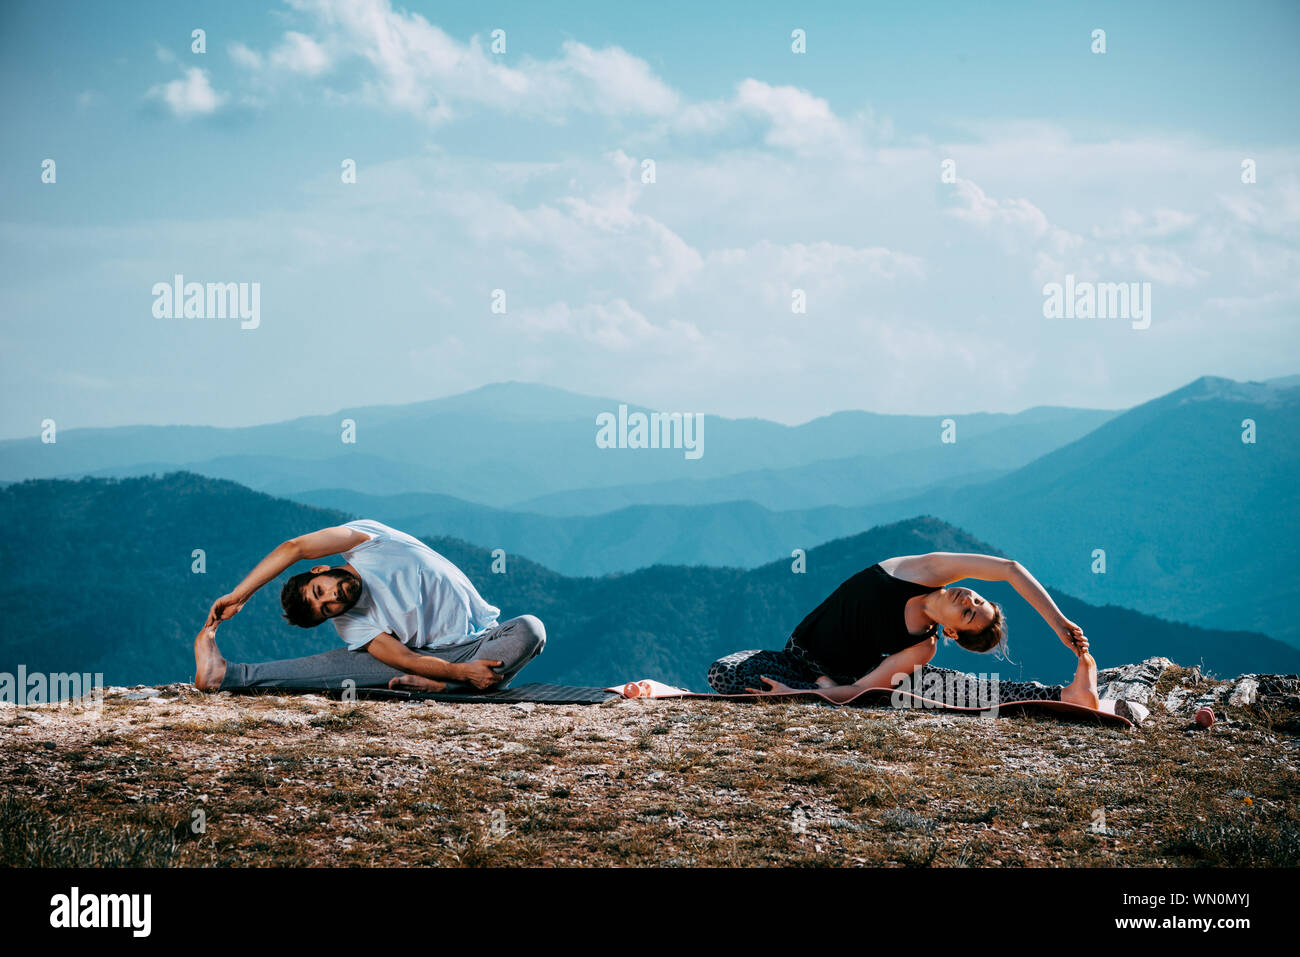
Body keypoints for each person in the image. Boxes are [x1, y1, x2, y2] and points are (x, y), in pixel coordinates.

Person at [193, 520, 545, 695]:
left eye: (320, 590)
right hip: (428, 659)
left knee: (530, 628)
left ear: (321, 569)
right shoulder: (353, 623)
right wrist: (461, 674)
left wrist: (241, 595)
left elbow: (295, 547)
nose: (332, 599)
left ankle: (448, 688)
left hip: (478, 643)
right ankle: (226, 674)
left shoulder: (368, 540)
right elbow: (406, 660)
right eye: (326, 609)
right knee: (337, 667)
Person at [707, 552, 1099, 708]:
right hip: (794, 659)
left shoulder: (923, 647)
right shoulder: (923, 573)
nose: (969, 601)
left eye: (968, 615)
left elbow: (862, 689)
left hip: (845, 680)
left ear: (952, 633)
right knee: (723, 672)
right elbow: (1010, 569)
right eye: (978, 601)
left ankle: (1065, 694)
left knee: (949, 688)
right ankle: (819, 689)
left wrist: (800, 696)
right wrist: (1060, 623)